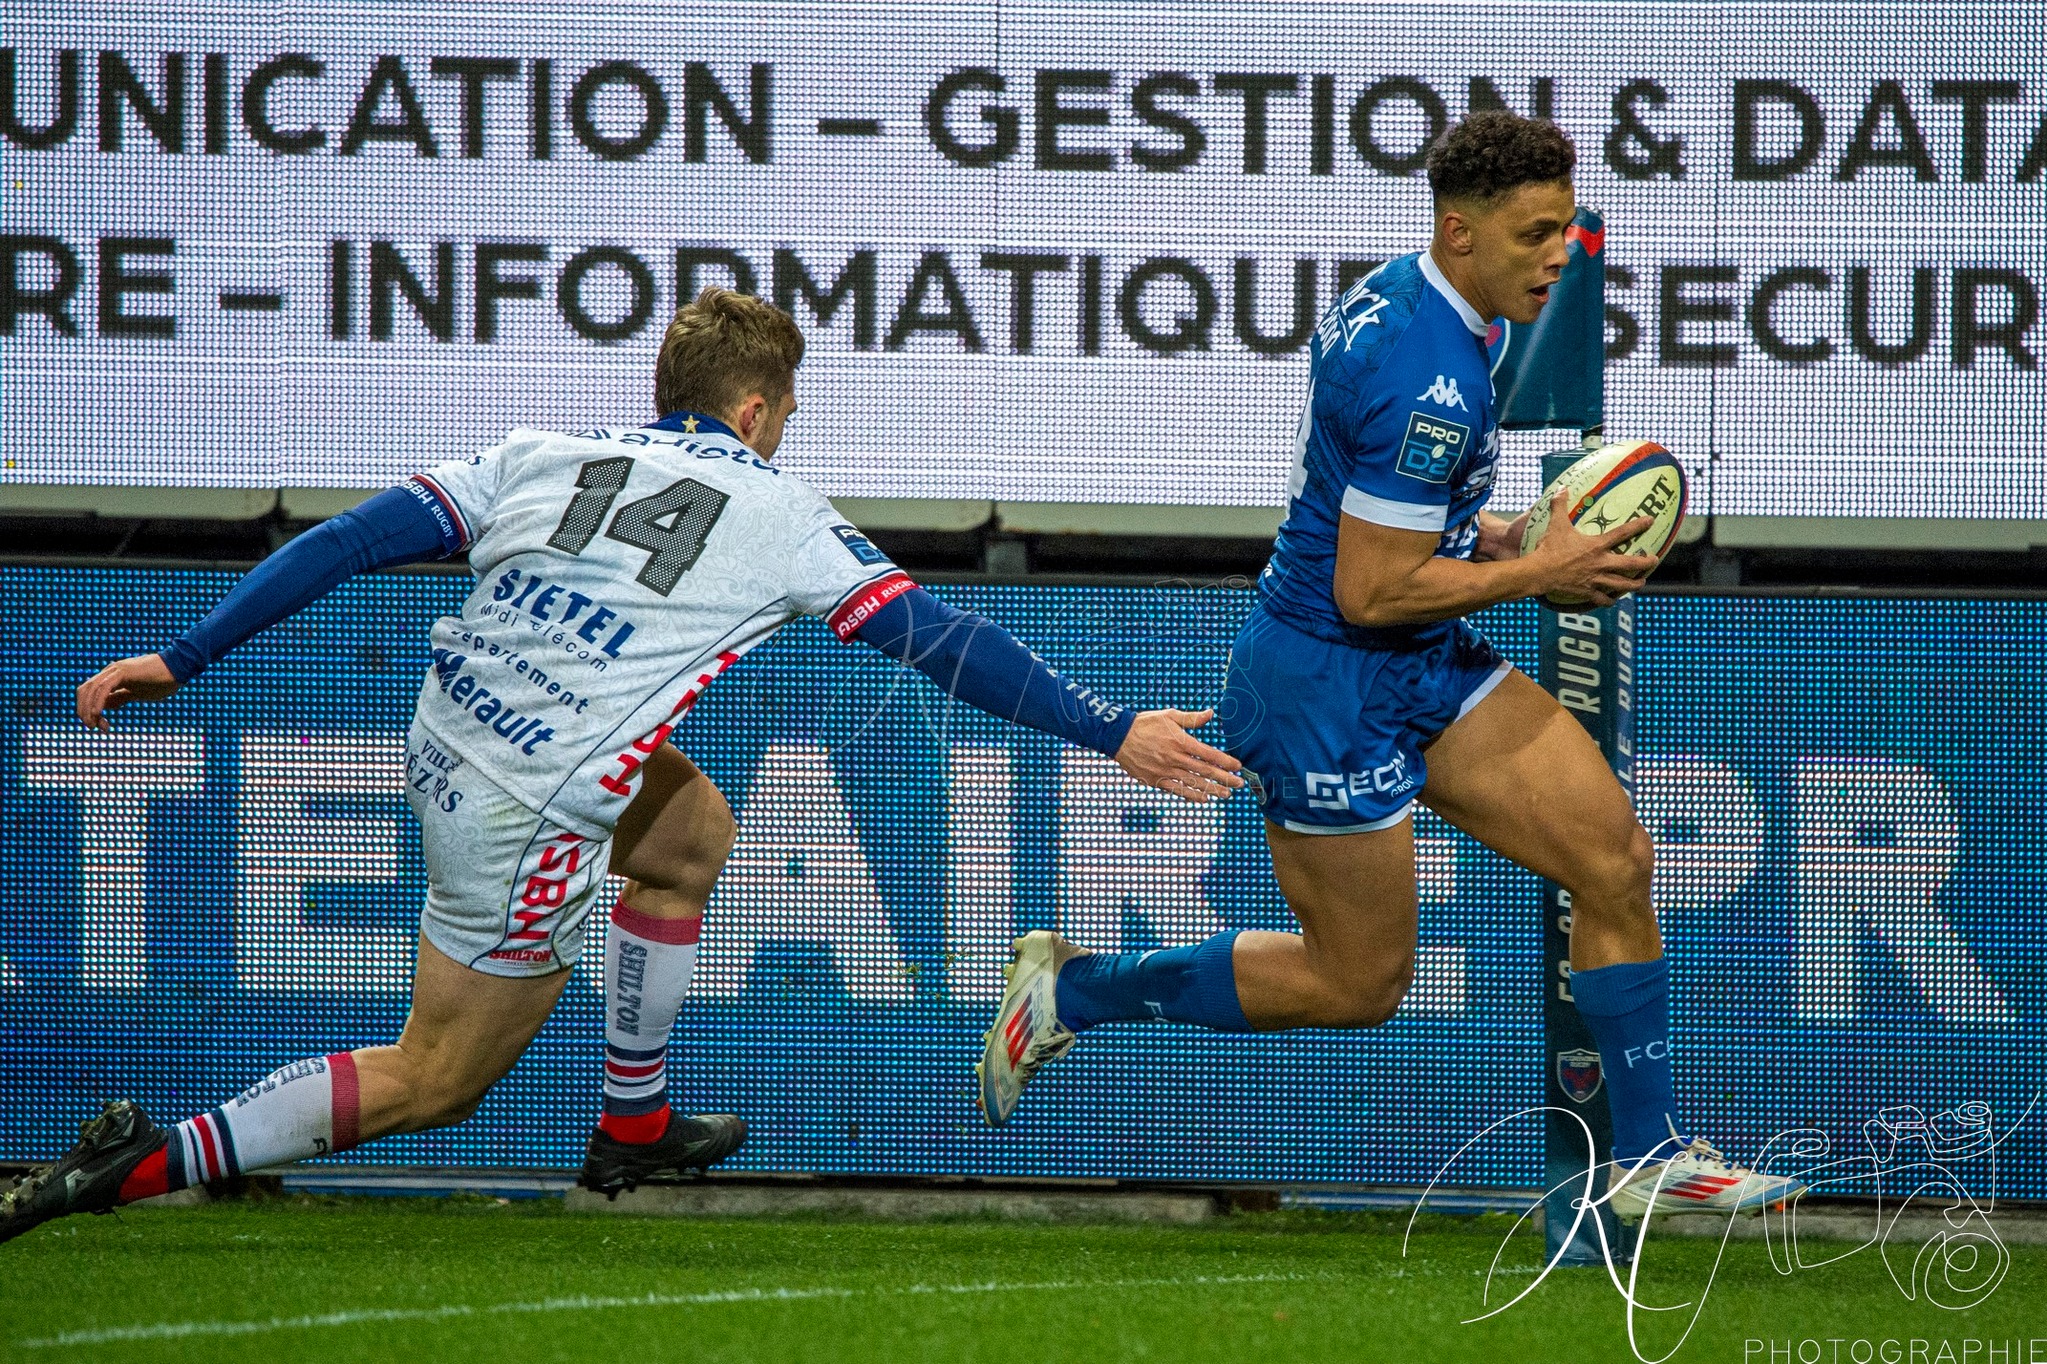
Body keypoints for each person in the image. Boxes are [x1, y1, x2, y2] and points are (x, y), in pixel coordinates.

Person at [0, 288, 1241, 1245]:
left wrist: (185, 653)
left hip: (456, 728)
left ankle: (632, 1122)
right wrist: (1112, 730)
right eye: (787, 410)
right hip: (529, 805)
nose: (785, 430)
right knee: (436, 1077)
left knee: (689, 832)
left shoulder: (540, 453)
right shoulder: (777, 509)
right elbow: (940, 639)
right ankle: (145, 1158)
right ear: (753, 410)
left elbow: (346, 540)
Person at [977, 111, 1804, 1223]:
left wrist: (1503, 538)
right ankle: (1076, 988)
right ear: (1460, 231)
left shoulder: (1437, 303)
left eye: (1563, 230)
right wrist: (1539, 571)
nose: (1557, 256)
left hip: (1418, 657)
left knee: (1613, 859)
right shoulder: (1428, 374)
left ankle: (1648, 1154)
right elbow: (1369, 588)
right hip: (1324, 684)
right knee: (1357, 981)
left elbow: (1399, 524)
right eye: (1532, 235)